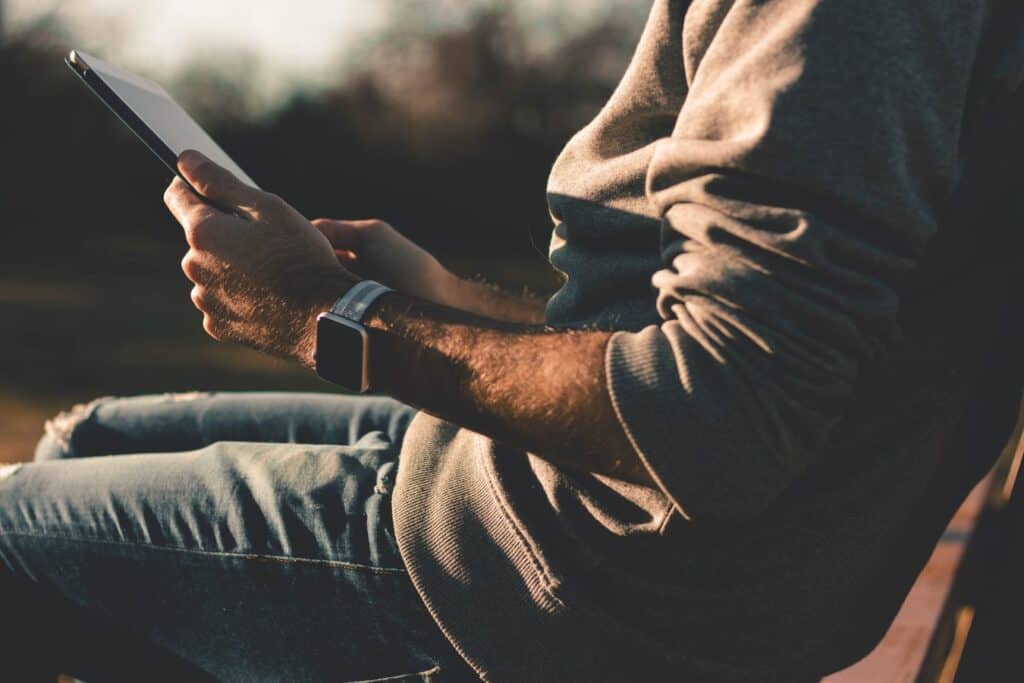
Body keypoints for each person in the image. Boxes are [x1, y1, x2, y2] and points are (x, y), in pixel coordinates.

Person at [4, 0, 1024, 680]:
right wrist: (440, 297)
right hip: (619, 521)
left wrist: (323, 312)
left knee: (14, 536)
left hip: (597, 572)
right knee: (87, 440)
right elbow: (725, 348)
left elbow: (724, 413)